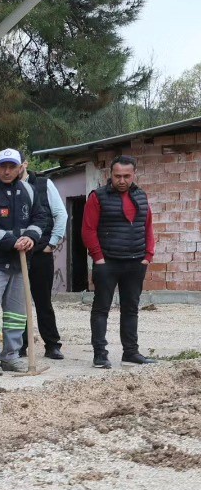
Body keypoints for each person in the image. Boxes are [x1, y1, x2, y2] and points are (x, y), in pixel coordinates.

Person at [0, 148, 52, 376]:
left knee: (16, 313)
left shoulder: (30, 191)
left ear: (19, 168)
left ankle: (11, 356)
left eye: (12, 167)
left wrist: (30, 237)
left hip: (19, 262)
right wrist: (12, 242)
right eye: (3, 166)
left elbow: (41, 217)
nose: (7, 171)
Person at [82, 155, 157, 369]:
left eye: (126, 176)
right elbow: (88, 229)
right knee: (101, 309)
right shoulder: (97, 197)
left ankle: (131, 353)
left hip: (135, 262)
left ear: (134, 174)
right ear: (110, 175)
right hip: (108, 262)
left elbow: (148, 226)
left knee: (131, 308)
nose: (122, 180)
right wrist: (98, 258)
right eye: (117, 176)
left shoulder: (141, 196)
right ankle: (100, 354)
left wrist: (148, 255)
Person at [19, 157, 68, 361]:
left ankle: (52, 344)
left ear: (25, 164)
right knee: (17, 303)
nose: (11, 169)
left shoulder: (43, 183)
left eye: (16, 164)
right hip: (15, 253)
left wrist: (52, 243)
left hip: (40, 252)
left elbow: (60, 214)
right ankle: (19, 346)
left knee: (43, 301)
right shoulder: (4, 187)